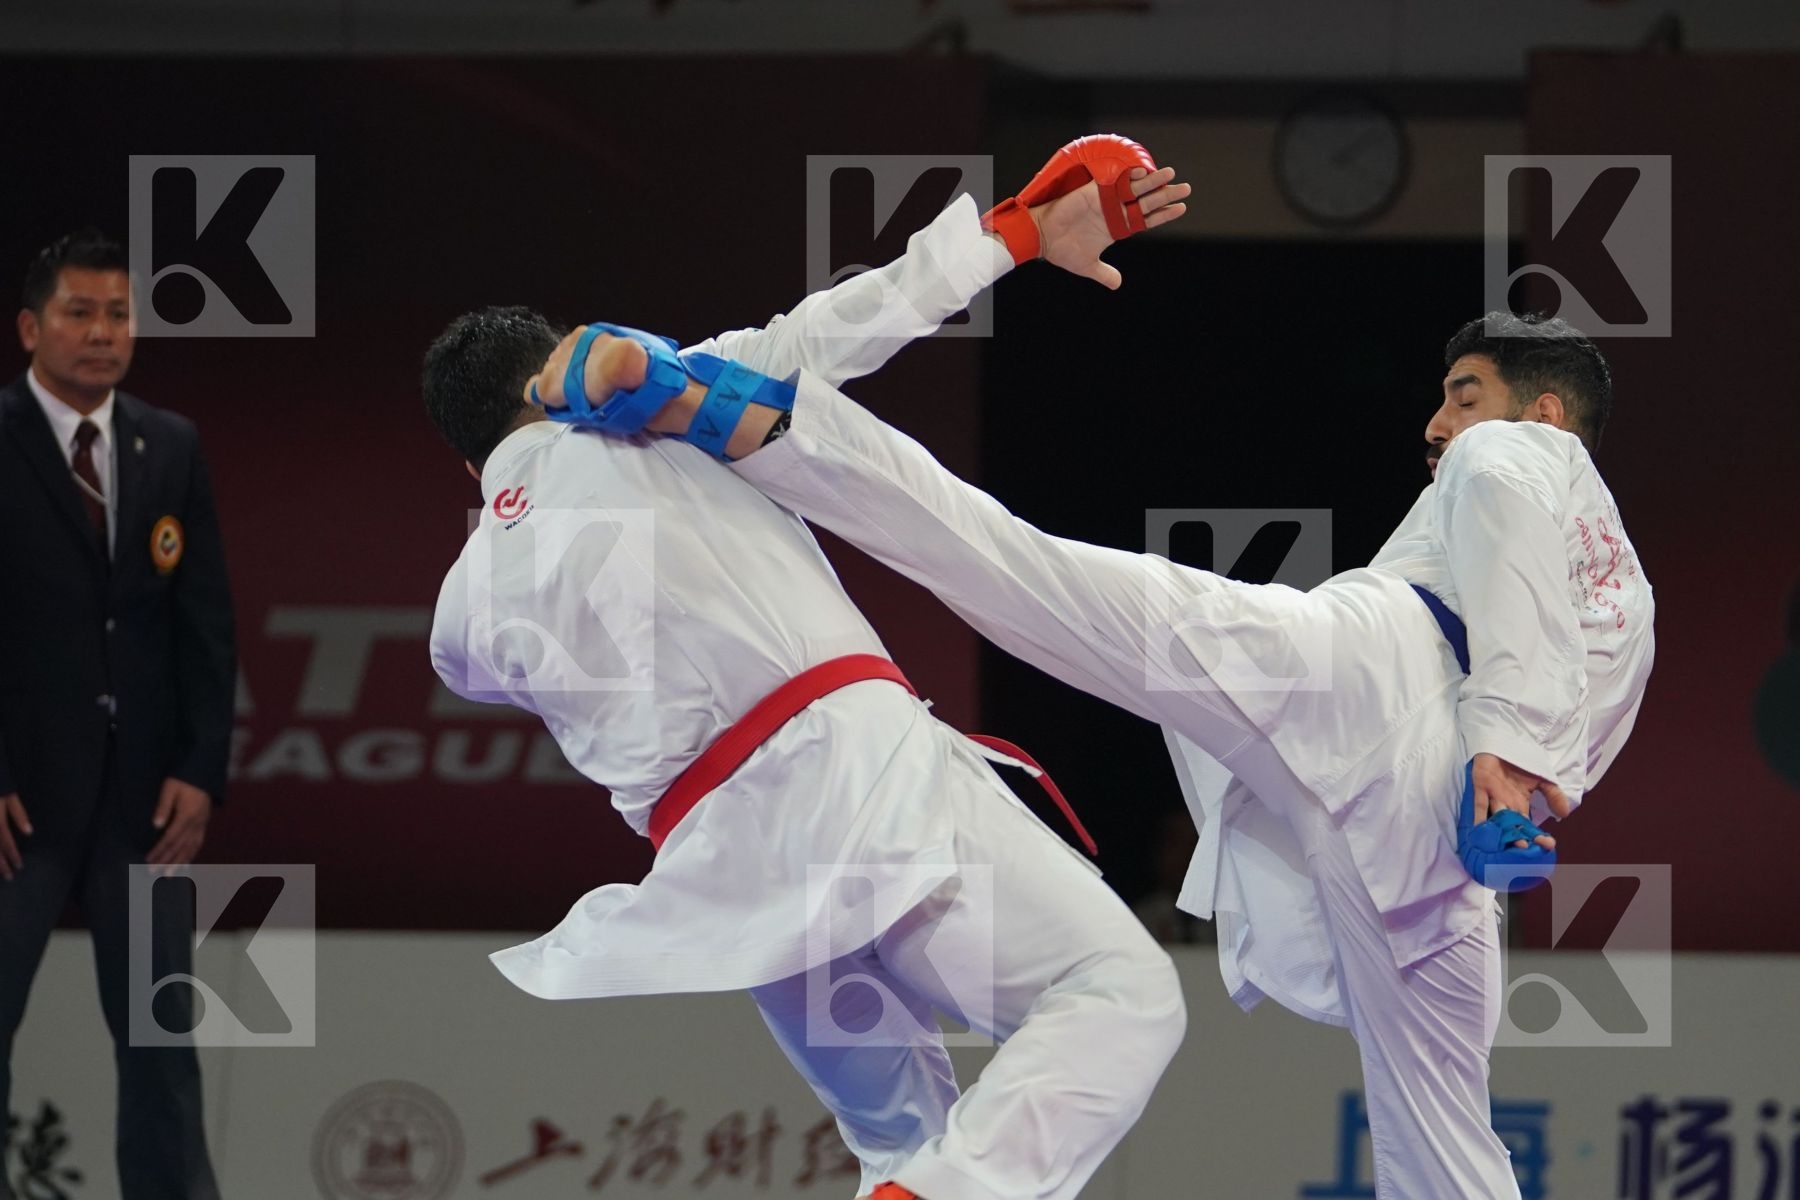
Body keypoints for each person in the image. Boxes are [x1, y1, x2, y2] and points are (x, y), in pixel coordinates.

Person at [530, 196, 1656, 1196]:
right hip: (1442, 822)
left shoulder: (1522, 456)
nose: (1439, 424)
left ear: (1545, 414)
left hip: (1378, 678)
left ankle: (730, 410)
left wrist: (1509, 750)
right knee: (1444, 1138)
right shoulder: (1626, 607)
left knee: (1027, 574)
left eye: (1464, 395)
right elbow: (1576, 706)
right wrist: (1517, 776)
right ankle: (745, 415)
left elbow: (1504, 517)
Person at [422, 143, 1195, 1200]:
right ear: (546, 378)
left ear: (469, 461)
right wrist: (1015, 233)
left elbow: (502, 651)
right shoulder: (663, 409)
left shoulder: (460, 615)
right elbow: (844, 324)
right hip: (864, 790)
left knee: (903, 1144)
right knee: (1116, 990)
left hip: (736, 883)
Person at [0, 229, 235, 1199]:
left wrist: (201, 768)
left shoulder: (168, 443)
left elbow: (205, 621)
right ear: (30, 328)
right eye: (79, 313)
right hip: (17, 804)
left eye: (118, 315)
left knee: (161, 1046)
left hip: (142, 803)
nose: (102, 333)